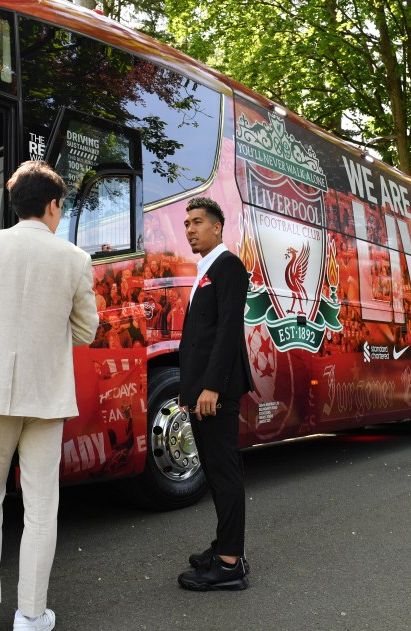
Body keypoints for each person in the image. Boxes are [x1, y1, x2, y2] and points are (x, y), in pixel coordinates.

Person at [0, 161, 98, 631]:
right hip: (46, 397)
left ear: (15, 204)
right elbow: (86, 331)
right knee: (40, 509)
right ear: (54, 205)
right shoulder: (74, 257)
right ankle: (31, 615)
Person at [176, 197, 254, 592]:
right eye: (187, 223)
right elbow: (198, 339)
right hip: (200, 391)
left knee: (224, 473)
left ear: (218, 227)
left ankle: (229, 565)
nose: (190, 229)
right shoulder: (204, 269)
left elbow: (227, 332)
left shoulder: (229, 267)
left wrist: (211, 387)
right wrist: (188, 389)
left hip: (216, 391)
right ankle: (226, 548)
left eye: (198, 222)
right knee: (215, 471)